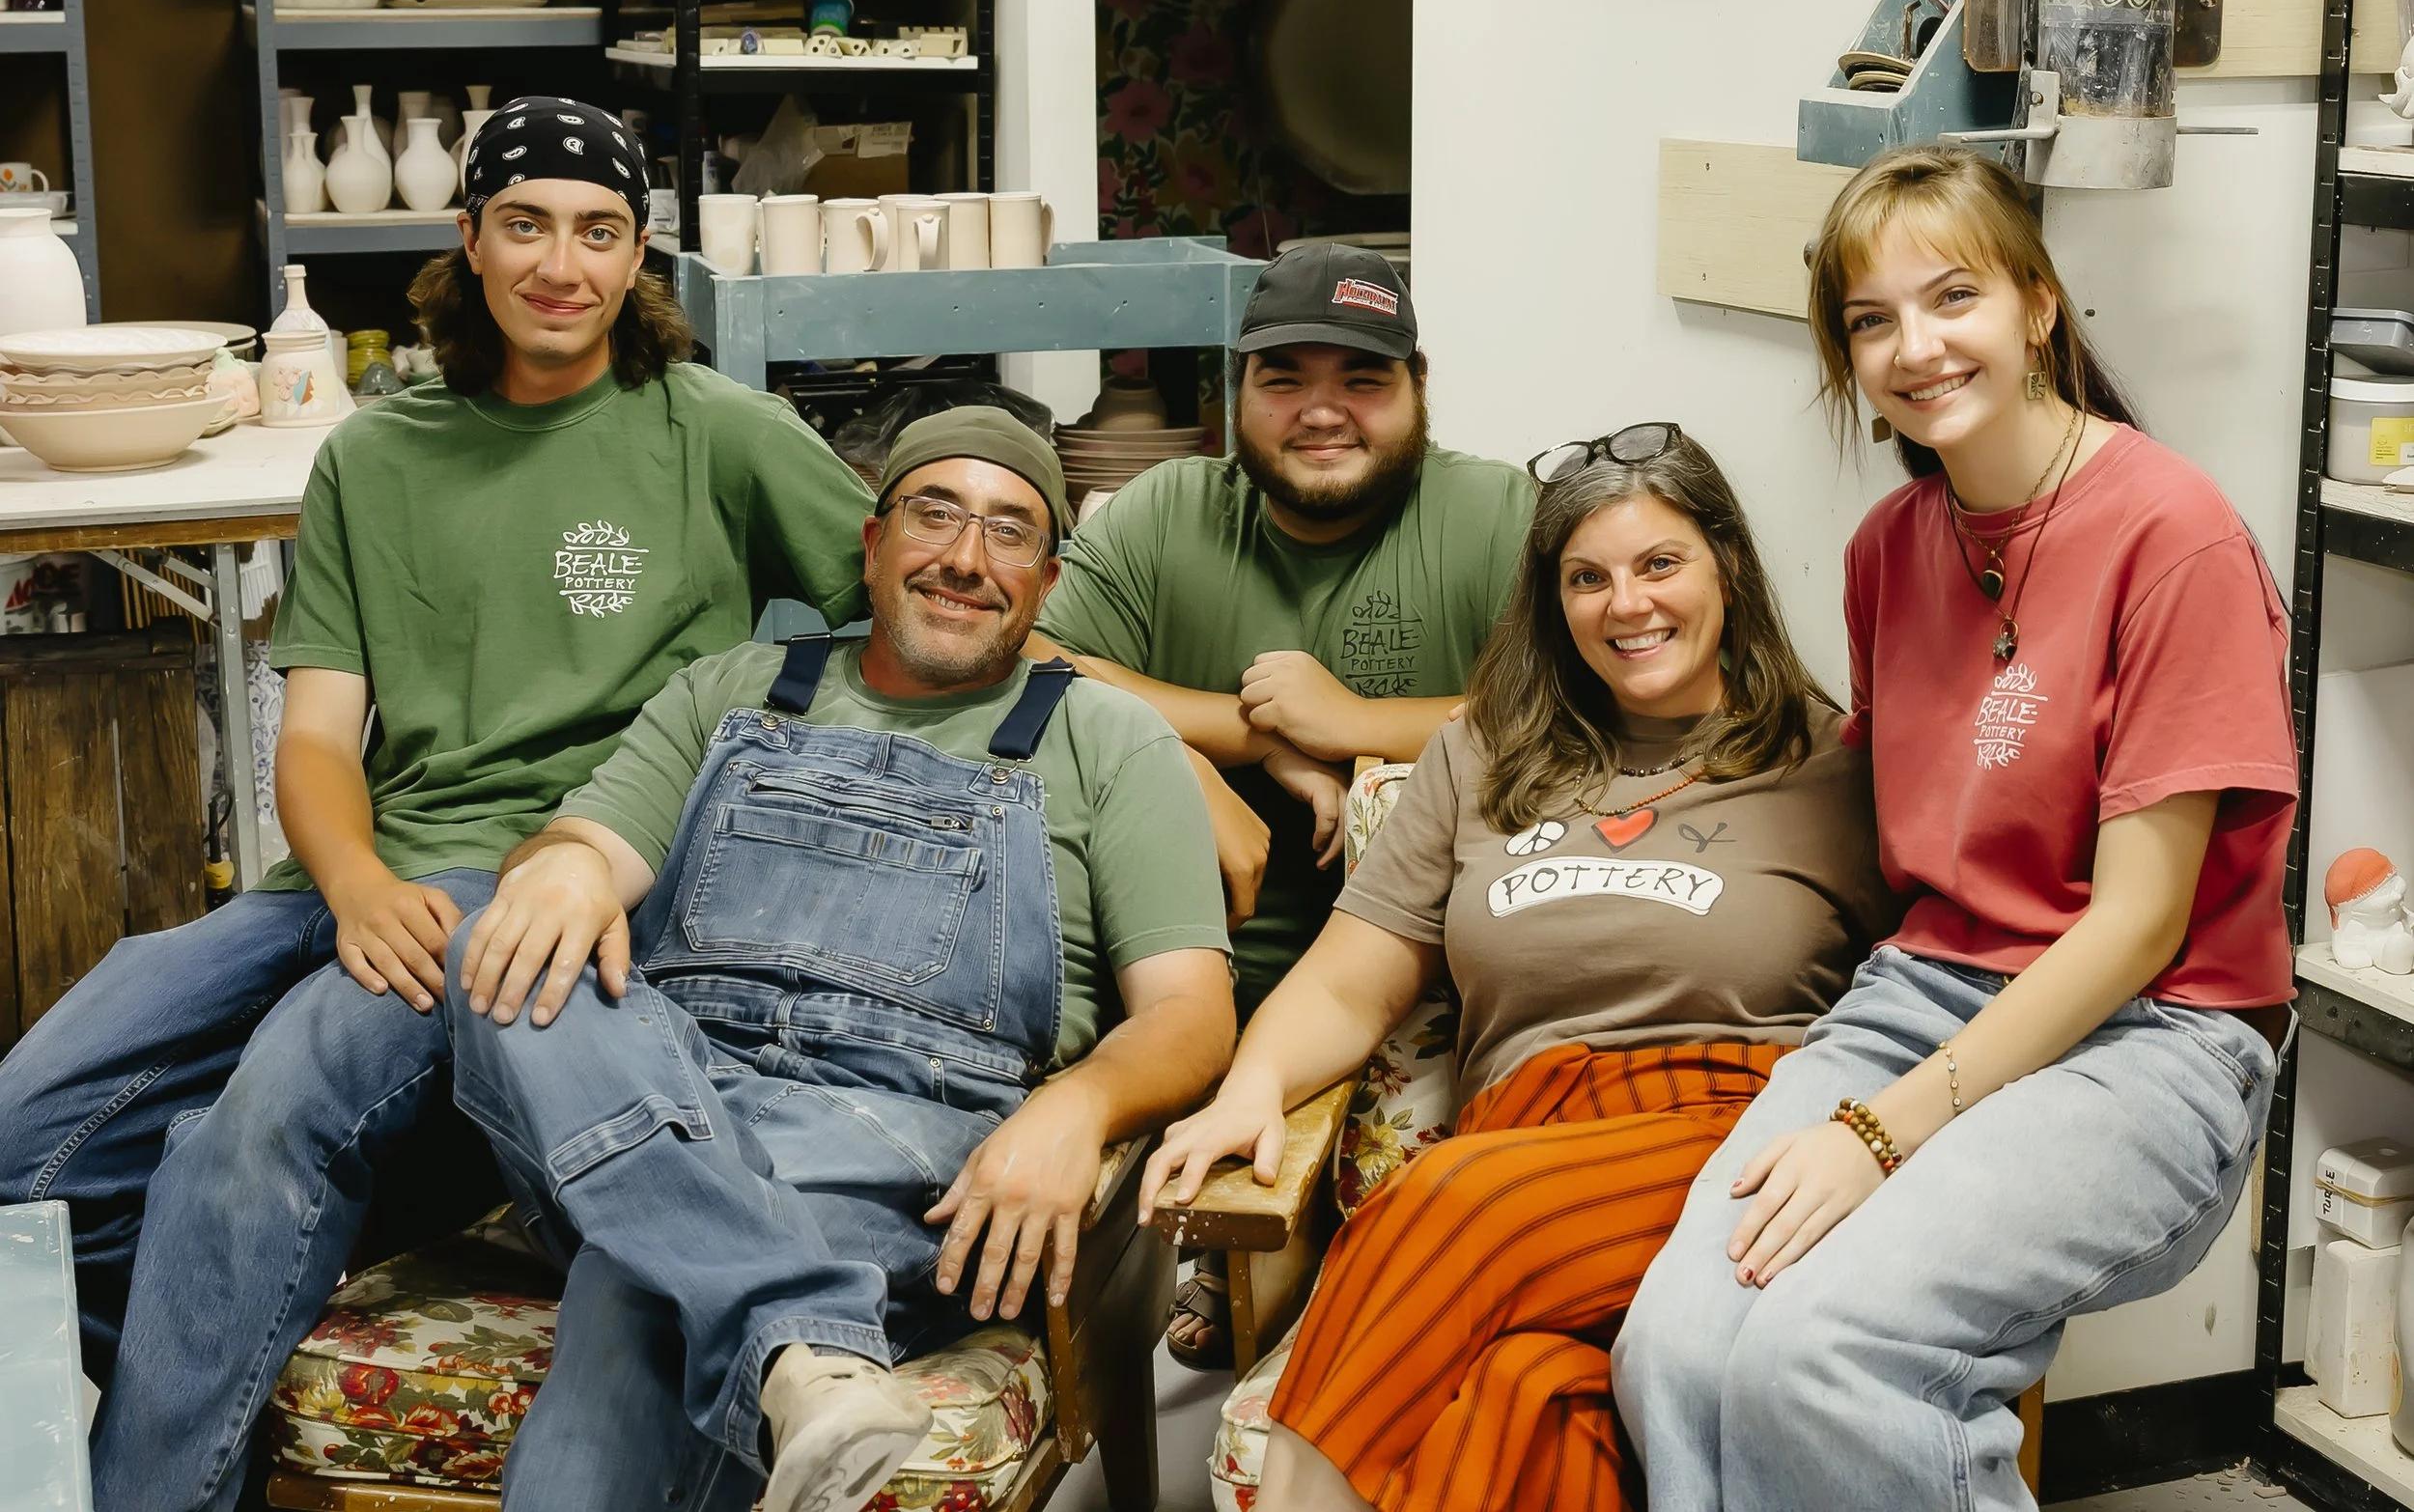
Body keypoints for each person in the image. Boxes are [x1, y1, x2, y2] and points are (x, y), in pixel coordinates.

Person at [22, 98, 877, 1512]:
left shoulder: (718, 430)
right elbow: (313, 737)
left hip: (549, 870)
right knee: (35, 1127)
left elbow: (916, 614)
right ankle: (236, 1334)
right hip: (354, 877)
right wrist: (351, 885)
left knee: (265, 1111)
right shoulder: (379, 452)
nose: (562, 263)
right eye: (527, 224)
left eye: (598, 231)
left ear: (639, 254)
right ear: (467, 239)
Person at [1613, 144, 2297, 1511]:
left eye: (1953, 297)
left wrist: (1881, 1129)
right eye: (1870, 320)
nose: (1914, 346)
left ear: (2038, 305)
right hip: (1922, 995)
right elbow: (1906, 813)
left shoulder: (2177, 534)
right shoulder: (1888, 547)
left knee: (1829, 1354)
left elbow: (2142, 920)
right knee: (1676, 1348)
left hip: (2155, 1032)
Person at [428, 407, 1235, 1511]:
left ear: (1045, 584)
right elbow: (585, 860)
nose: (964, 558)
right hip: (669, 1088)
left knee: (641, 1282)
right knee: (499, 924)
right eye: (933, 514)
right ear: (870, 542)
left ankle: (760, 1310)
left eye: (1007, 532)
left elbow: (1191, 1012)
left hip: (894, 1133)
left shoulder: (1108, 740)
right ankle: (797, 1344)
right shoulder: (732, 690)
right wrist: (564, 861)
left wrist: (1078, 1107)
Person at [1140, 426, 1899, 1511]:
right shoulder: (1483, 754)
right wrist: (1251, 1089)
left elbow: (1944, 982)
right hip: (1522, 1143)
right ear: (1552, 602)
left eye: (1658, 564)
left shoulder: (1832, 762)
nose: (1625, 604)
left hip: (1732, 1143)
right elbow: (1354, 978)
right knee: (1524, 1397)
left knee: (1441, 1199)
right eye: (1585, 578)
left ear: (1725, 566)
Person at [1031, 240, 1534, 1363]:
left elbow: (1578, 711)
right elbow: (1032, 661)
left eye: (1362, 379)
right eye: (1284, 379)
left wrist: (1353, 725)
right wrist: (1228, 738)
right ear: (1234, 395)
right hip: (1168, 980)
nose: (1322, 412)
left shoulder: (1493, 512)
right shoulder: (1167, 513)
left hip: (1427, 996)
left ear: (1416, 390)